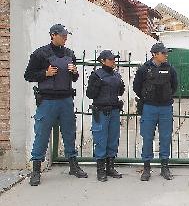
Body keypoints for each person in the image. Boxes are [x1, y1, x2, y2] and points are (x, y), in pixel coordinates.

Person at [24, 24, 88, 186]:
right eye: (62, 35)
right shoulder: (40, 54)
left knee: (69, 133)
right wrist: (45, 73)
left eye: (67, 35)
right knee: (42, 134)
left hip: (66, 100)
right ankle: (36, 170)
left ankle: (73, 166)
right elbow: (28, 75)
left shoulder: (70, 54)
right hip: (47, 101)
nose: (66, 37)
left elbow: (74, 79)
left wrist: (74, 72)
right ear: (53, 35)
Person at [133, 42, 178, 181]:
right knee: (147, 137)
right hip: (149, 107)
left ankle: (165, 167)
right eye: (163, 53)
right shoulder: (143, 69)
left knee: (165, 137)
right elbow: (136, 87)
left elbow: (174, 86)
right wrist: (148, 98)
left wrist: (166, 97)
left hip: (165, 107)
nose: (166, 55)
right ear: (154, 54)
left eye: (166, 53)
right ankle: (146, 168)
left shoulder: (170, 69)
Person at [86, 50, 125, 182]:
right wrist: (98, 84)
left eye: (114, 59)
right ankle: (100, 170)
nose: (113, 61)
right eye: (110, 59)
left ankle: (110, 167)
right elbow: (90, 94)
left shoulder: (117, 75)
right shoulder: (96, 75)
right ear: (102, 61)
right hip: (102, 111)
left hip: (114, 110)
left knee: (113, 139)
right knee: (101, 140)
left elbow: (120, 92)